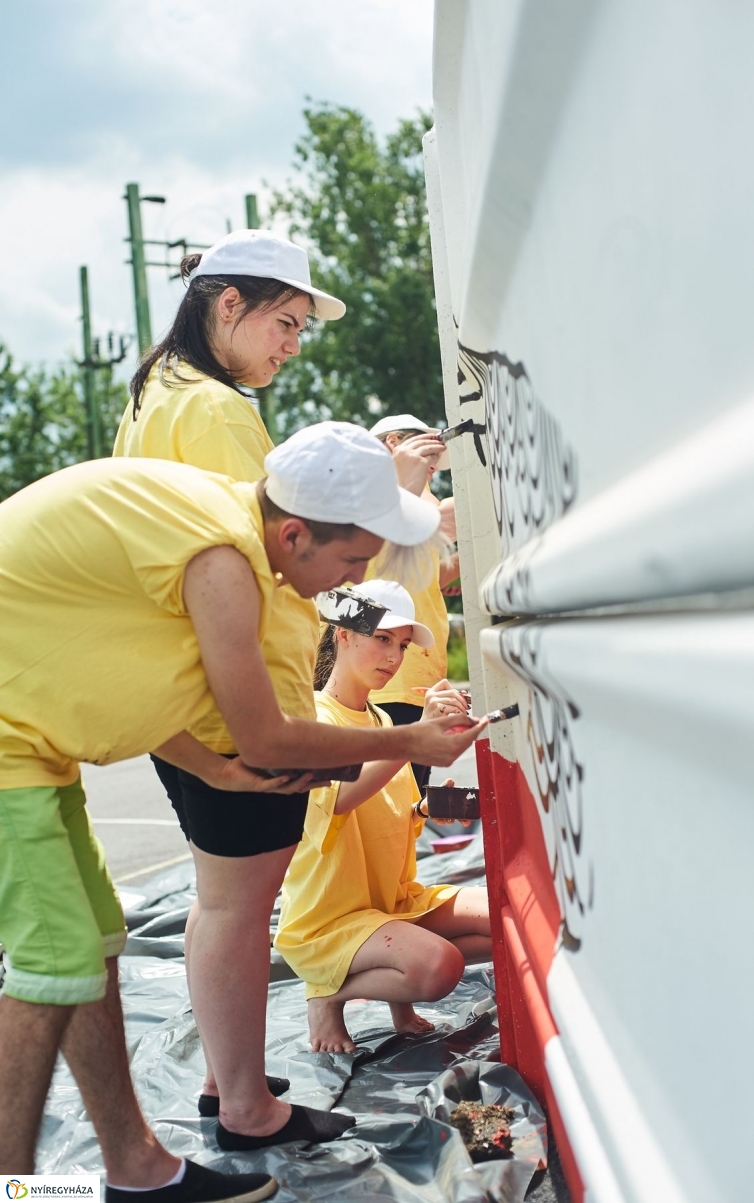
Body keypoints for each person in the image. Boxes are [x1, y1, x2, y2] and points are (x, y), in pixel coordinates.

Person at [0, 426, 485, 1185]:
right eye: (352, 561)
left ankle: (135, 1169)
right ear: (295, 533)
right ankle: (16, 1188)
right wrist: (411, 741)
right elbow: (264, 735)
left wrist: (211, 771)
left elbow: (128, 662)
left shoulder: (232, 532)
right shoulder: (223, 561)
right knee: (54, 959)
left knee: (93, 939)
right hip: (9, 743)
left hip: (31, 738)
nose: (350, 579)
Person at [113, 230, 344, 1129]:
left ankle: (227, 1080)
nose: (291, 344)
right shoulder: (213, 410)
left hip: (188, 687)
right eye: (283, 321)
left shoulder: (157, 391)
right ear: (228, 305)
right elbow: (259, 555)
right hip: (232, 696)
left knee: (225, 900)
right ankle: (246, 1103)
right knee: (241, 905)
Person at [275, 579, 492, 1055]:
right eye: (382, 638)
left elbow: (394, 814)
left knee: (506, 918)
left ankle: (400, 1000)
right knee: (441, 968)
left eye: (402, 644)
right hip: (332, 917)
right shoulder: (315, 717)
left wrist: (428, 808)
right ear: (343, 635)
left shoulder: (382, 721)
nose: (394, 657)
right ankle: (327, 995)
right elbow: (342, 798)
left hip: (392, 902)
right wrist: (416, 735)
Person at [366, 414, 461, 791]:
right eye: (430, 466)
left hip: (413, 677)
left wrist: (455, 567)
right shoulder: (375, 496)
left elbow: (421, 576)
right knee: (386, 803)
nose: (433, 477)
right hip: (388, 678)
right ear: (395, 445)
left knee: (407, 804)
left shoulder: (416, 506)